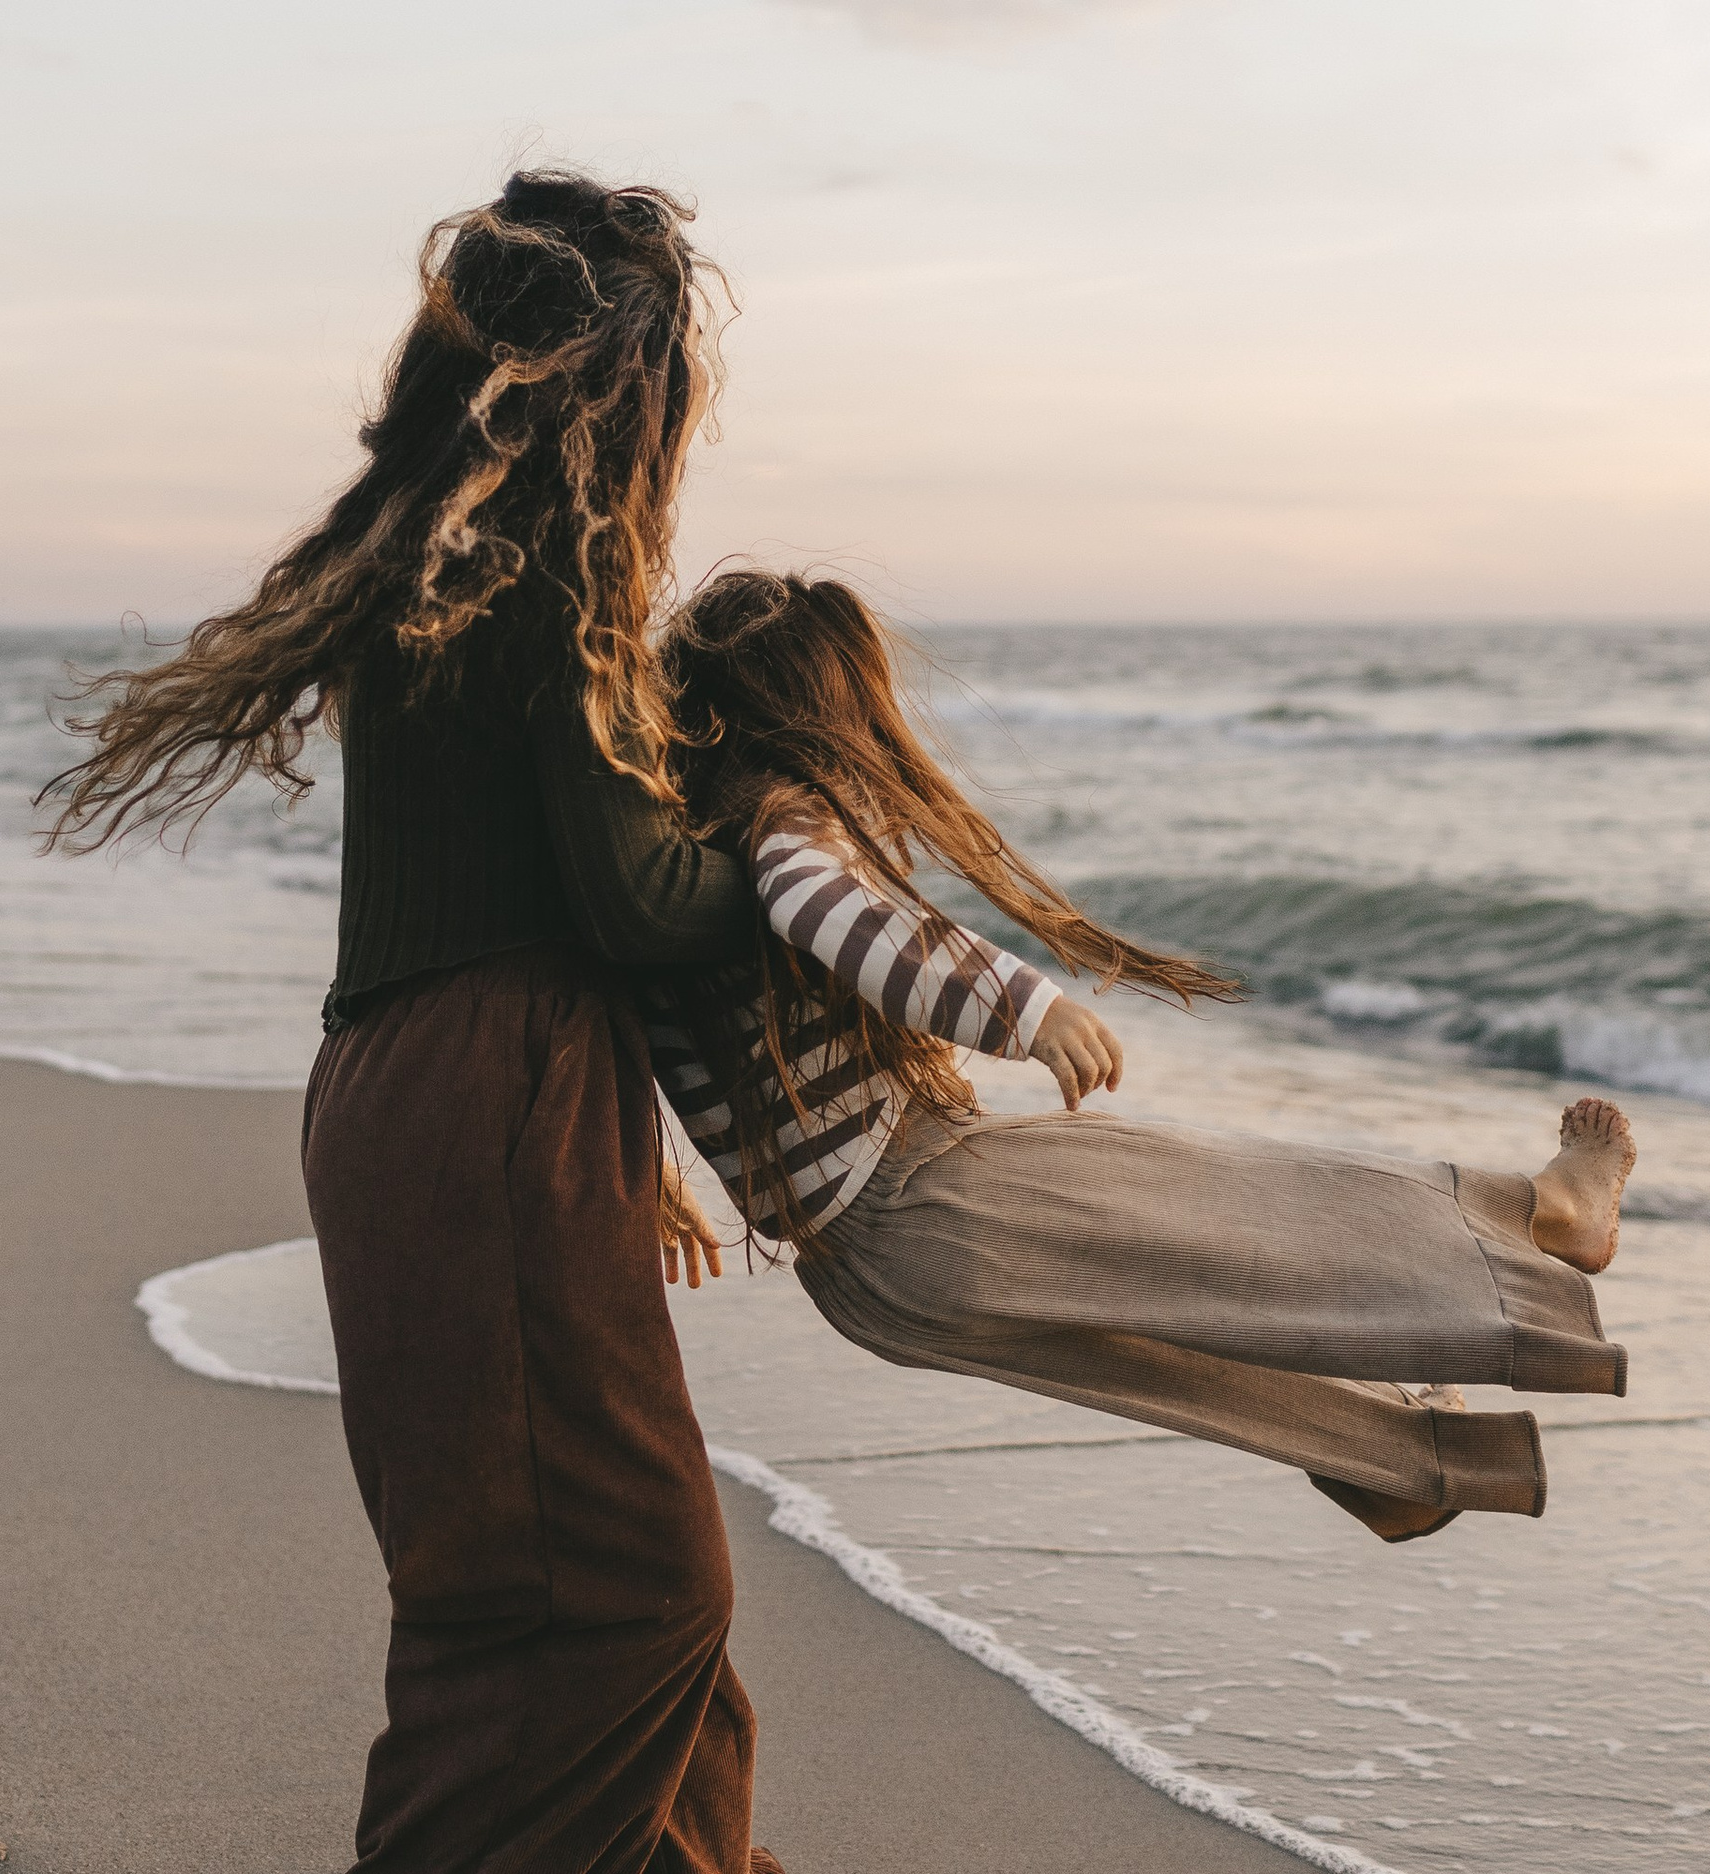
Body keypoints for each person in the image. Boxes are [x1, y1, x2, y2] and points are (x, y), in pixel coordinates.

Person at [45, 176, 796, 1874]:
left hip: (431, 1087)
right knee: (608, 1573)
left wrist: (620, 1135)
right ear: (620, 387)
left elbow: (517, 893)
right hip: (491, 1100)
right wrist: (787, 868)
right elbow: (628, 903)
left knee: (568, 1546)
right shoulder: (547, 585)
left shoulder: (433, 568)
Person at [642, 572, 1635, 1544]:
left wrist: (648, 1171)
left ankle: (1403, 1463)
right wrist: (1022, 1009)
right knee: (1268, 1206)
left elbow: (635, 1030)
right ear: (822, 710)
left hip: (862, 1284)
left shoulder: (672, 863)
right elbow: (821, 908)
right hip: (928, 1195)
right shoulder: (785, 818)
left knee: (1171, 1353)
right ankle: (1546, 1213)